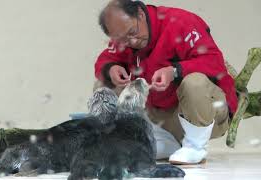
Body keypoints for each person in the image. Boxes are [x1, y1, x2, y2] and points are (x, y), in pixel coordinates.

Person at [94, 0, 238, 165]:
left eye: (133, 32)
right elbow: (105, 59)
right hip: (161, 119)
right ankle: (161, 141)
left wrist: (176, 71)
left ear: (140, 14)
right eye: (123, 40)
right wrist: (112, 68)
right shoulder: (124, 35)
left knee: (194, 82)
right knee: (104, 85)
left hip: (205, 113)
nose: (131, 42)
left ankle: (195, 146)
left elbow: (214, 61)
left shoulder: (181, 23)